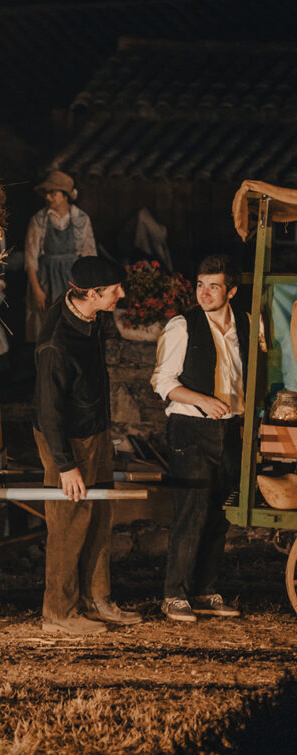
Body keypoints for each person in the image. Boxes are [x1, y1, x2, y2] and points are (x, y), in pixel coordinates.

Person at [33, 256, 142, 636]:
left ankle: (97, 599)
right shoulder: (56, 344)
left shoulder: (88, 316)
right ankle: (58, 612)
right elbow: (48, 412)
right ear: (93, 293)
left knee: (98, 516)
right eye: (115, 289)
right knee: (68, 525)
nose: (121, 294)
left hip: (93, 432)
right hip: (68, 440)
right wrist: (65, 465)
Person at [150, 255, 246, 623]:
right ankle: (174, 594)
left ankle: (206, 591)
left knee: (220, 513)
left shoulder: (246, 323)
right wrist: (202, 401)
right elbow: (163, 382)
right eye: (200, 285)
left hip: (231, 429)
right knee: (191, 512)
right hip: (190, 429)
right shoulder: (182, 326)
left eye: (213, 287)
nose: (203, 293)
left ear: (231, 291)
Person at [24, 171, 98, 342]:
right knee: (48, 327)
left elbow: (89, 256)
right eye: (46, 193)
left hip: (73, 280)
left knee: (72, 327)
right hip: (47, 280)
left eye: (53, 193)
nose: (48, 197)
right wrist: (36, 290)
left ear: (65, 196)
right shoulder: (39, 220)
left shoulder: (81, 219)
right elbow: (30, 258)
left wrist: (89, 288)